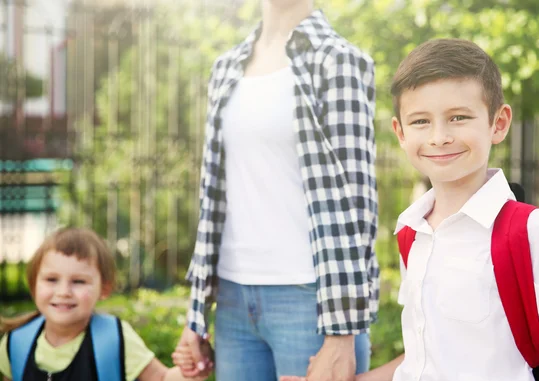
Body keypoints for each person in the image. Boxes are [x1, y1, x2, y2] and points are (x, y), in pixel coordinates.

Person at [347, 38, 539, 380]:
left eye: (458, 117)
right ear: (399, 132)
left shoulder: (529, 231)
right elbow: (423, 358)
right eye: (420, 121)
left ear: (498, 123)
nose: (439, 137)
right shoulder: (412, 233)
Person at [174, 0, 380, 380]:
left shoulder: (339, 61)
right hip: (233, 298)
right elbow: (213, 199)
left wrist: (343, 332)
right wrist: (197, 315)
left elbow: (357, 204)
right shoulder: (225, 67)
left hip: (310, 301)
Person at [0, 227, 201, 381]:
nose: (63, 292)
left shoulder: (114, 339)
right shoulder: (16, 343)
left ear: (104, 288)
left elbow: (163, 378)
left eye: (78, 281)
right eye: (52, 279)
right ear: (33, 284)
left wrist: (193, 368)